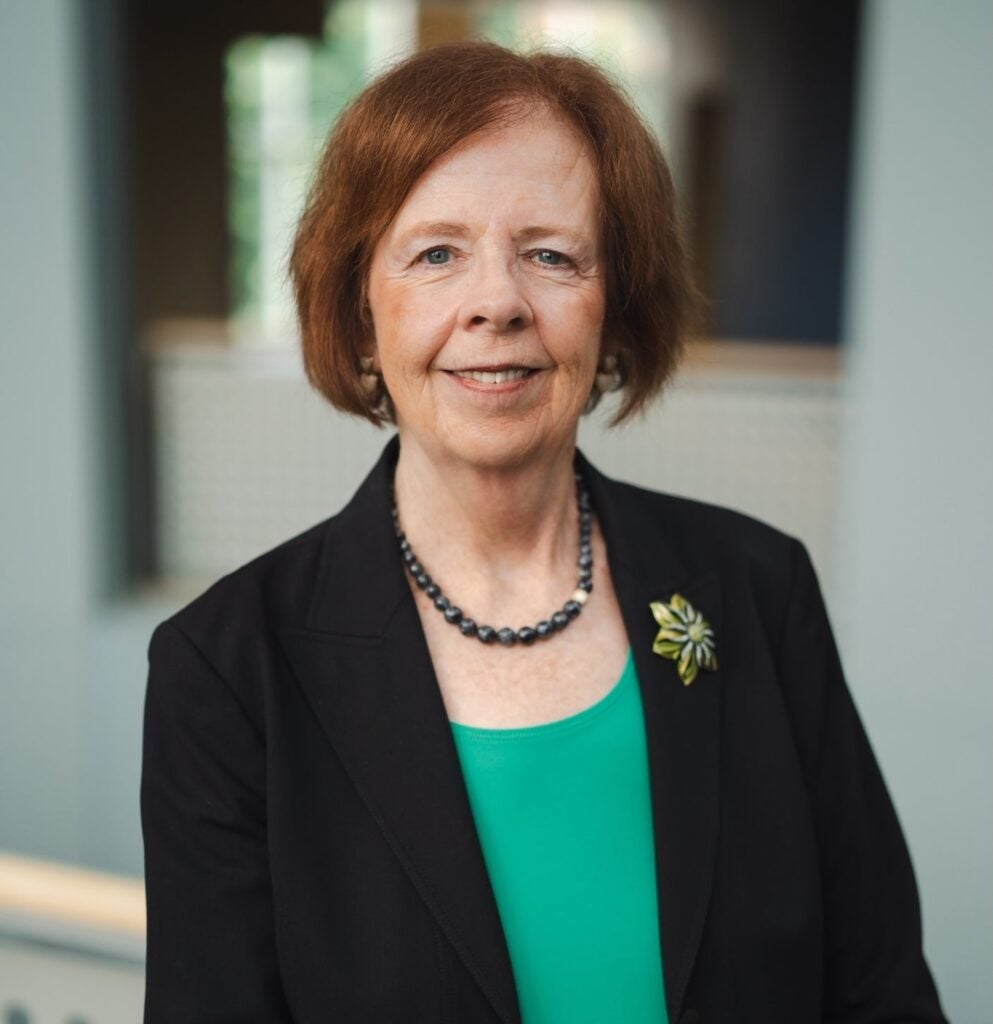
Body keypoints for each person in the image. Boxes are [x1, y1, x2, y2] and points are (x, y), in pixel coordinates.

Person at [141, 42, 947, 1024]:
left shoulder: (756, 589)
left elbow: (882, 994)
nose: (497, 303)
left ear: (614, 307)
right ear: (362, 310)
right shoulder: (227, 670)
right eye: (437, 253)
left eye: (551, 254)